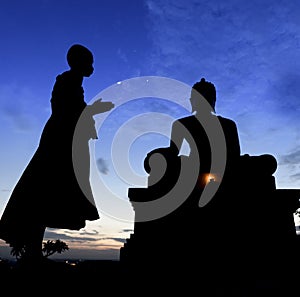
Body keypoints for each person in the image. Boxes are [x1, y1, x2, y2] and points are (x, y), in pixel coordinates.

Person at [0, 44, 114, 265]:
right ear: (79, 62)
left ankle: (33, 252)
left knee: (46, 194)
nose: (92, 67)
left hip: (64, 139)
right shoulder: (67, 81)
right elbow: (66, 111)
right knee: (42, 193)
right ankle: (33, 253)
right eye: (89, 62)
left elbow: (73, 110)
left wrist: (89, 110)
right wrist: (93, 110)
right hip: (60, 141)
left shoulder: (72, 83)